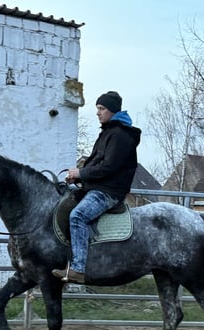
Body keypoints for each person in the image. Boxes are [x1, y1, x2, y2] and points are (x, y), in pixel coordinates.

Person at [52, 91, 141, 284]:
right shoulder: (109, 132)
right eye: (97, 109)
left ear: (112, 111)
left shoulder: (120, 136)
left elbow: (108, 167)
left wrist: (81, 174)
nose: (98, 113)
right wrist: (77, 177)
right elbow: (96, 164)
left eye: (102, 109)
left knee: (78, 216)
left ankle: (78, 269)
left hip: (109, 192)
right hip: (99, 188)